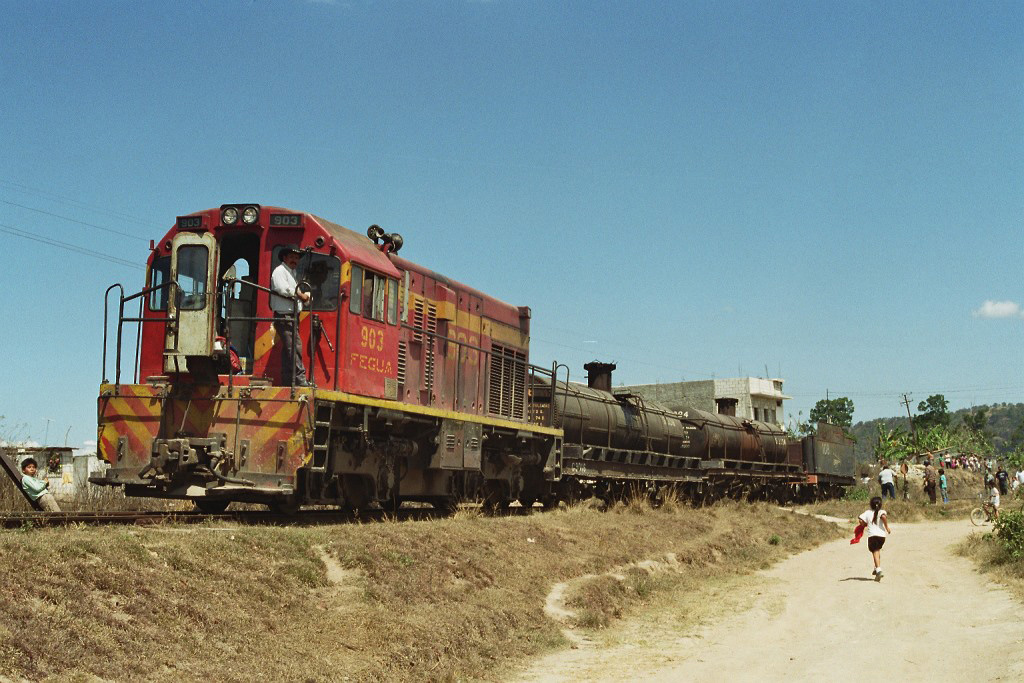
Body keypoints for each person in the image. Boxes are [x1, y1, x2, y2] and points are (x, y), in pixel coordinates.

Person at [270, 244, 312, 387]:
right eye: (292, 257)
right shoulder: (280, 271)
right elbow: (283, 289)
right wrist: (301, 295)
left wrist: (304, 298)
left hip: (291, 317)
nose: (295, 260)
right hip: (285, 317)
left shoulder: (291, 274)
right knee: (294, 347)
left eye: (297, 258)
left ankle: (289, 379)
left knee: (289, 349)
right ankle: (300, 380)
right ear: (285, 258)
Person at [854, 496, 892, 581]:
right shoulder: (882, 511)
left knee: (874, 551)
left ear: (871, 504)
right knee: (877, 551)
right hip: (882, 536)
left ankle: (878, 569)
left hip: (872, 536)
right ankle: (876, 568)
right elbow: (883, 517)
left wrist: (863, 524)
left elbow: (860, 519)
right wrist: (887, 528)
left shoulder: (867, 512)